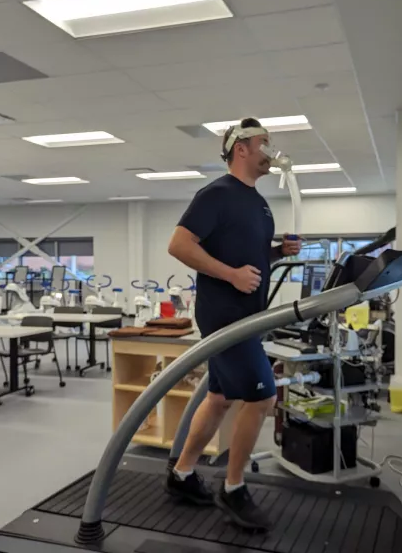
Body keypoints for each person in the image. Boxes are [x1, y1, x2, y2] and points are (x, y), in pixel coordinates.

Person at [165, 117, 301, 530]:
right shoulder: (217, 194)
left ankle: (182, 474)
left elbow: (248, 259)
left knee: (220, 397)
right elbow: (179, 245)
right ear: (241, 148)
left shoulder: (258, 202)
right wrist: (231, 275)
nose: (270, 151)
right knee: (262, 399)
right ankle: (234, 486)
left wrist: (277, 252)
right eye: (264, 143)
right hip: (225, 315)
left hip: (248, 315)